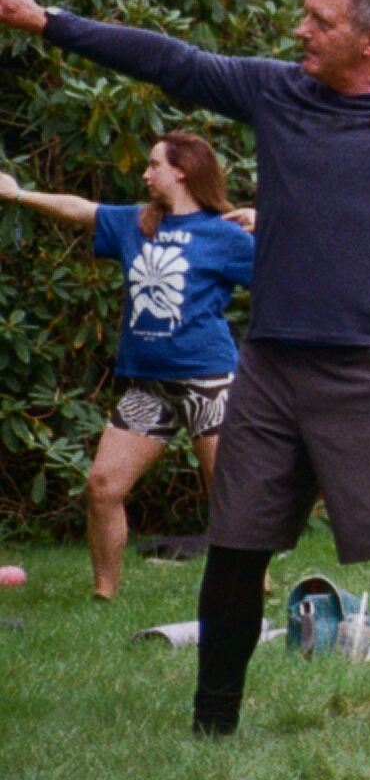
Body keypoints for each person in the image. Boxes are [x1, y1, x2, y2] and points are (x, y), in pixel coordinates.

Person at [0, 0, 370, 745]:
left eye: (319, 20)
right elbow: (173, 60)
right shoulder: (277, 92)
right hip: (272, 368)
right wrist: (46, 20)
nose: (299, 32)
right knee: (235, 549)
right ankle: (212, 729)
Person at [0, 134, 255, 600]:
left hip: (210, 384)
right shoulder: (136, 223)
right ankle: (105, 596)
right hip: (150, 389)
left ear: (182, 171)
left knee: (230, 496)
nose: (145, 172)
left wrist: (268, 224)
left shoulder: (226, 233)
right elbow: (79, 209)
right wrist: (18, 194)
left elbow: (290, 278)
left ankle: (254, 587)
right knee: (102, 486)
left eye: (154, 164)